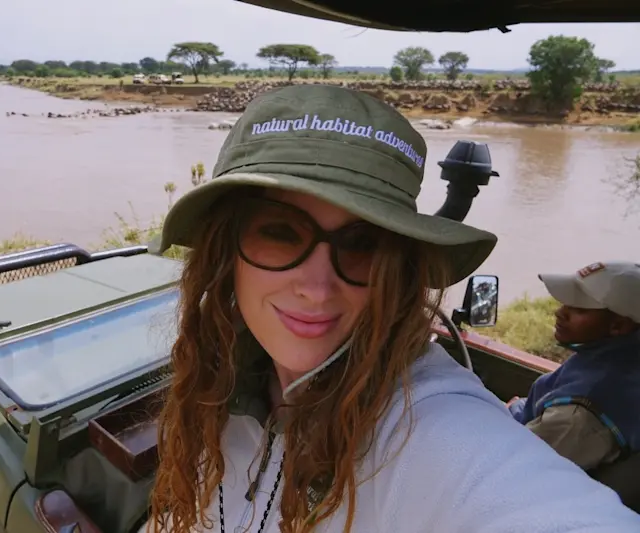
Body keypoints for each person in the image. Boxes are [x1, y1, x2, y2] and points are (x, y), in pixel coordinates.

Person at [145, 84, 640, 533]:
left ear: (396, 271)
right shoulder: (218, 382)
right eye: (279, 233)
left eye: (361, 243)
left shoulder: (428, 425)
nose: (318, 289)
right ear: (224, 251)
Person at [508, 261, 640, 471]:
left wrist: (506, 413)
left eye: (578, 309)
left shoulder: (576, 420)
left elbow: (512, 466)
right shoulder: (612, 358)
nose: (560, 313)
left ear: (618, 326)